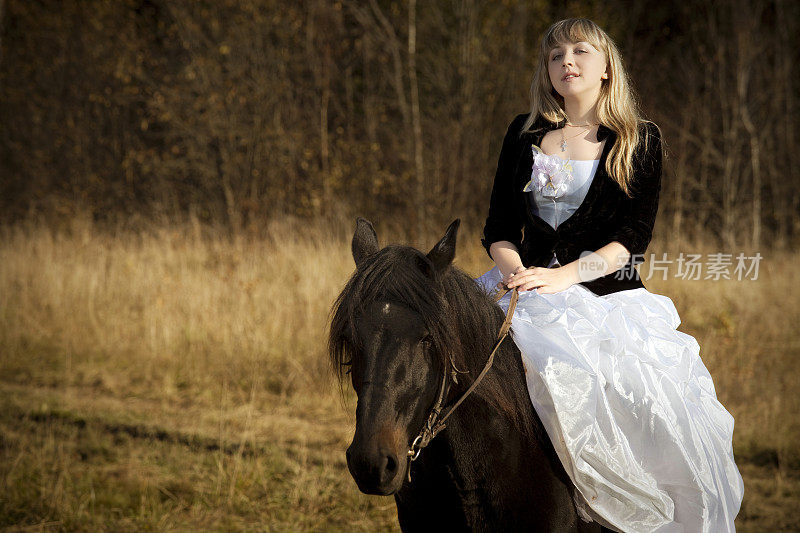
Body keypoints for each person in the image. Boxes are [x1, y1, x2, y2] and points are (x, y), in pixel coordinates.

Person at [476, 18, 744, 532]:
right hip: (519, 283)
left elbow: (631, 240)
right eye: (555, 55)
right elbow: (498, 228)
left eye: (579, 51)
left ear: (606, 69)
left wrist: (563, 278)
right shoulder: (523, 131)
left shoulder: (638, 138)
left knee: (639, 399)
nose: (566, 62)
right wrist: (518, 275)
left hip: (603, 296)